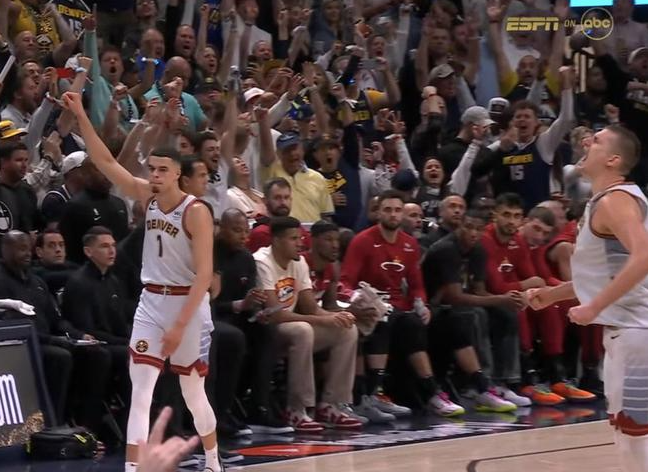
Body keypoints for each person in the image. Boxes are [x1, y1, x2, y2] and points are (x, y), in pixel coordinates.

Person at [62, 92, 222, 472]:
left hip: (187, 304)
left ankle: (214, 461)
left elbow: (204, 275)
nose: (154, 176)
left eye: (162, 170)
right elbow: (105, 162)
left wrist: (179, 325)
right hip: (151, 302)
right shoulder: (147, 198)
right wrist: (81, 113)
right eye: (151, 169)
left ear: (178, 174)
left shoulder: (196, 212)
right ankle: (132, 469)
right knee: (141, 392)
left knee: (192, 392)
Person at [527, 125, 648, 472]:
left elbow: (643, 257)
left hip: (637, 331)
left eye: (595, 141)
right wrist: (553, 294)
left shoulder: (615, 200)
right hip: (627, 331)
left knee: (636, 437)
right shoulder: (607, 201)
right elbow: (607, 274)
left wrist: (594, 306)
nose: (584, 142)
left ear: (613, 160)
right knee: (628, 435)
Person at [341, 190, 464, 416]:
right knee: (384, 319)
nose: (393, 215)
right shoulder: (362, 241)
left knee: (417, 323)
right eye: (388, 210)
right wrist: (356, 298)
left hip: (399, 305)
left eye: (397, 210)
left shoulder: (409, 244)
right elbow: (345, 282)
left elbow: (416, 285)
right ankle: (371, 394)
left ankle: (431, 392)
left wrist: (421, 303)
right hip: (370, 305)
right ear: (378, 213)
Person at [254, 216, 361, 432]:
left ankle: (332, 404)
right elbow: (275, 314)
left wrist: (337, 317)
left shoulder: (299, 262)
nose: (300, 243)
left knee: (346, 329)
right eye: (293, 239)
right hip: (264, 329)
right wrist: (323, 319)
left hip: (291, 325)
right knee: (302, 330)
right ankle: (297, 409)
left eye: (300, 238)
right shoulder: (261, 262)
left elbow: (311, 307)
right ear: (276, 241)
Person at [422, 209, 530, 407]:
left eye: (478, 229)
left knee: (507, 314)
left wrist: (507, 300)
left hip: (458, 303)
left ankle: (504, 382)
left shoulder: (478, 250)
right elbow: (454, 297)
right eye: (468, 227)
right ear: (459, 227)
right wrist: (500, 299)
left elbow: (479, 291)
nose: (473, 233)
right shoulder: (446, 249)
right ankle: (481, 385)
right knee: (477, 315)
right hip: (434, 306)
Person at [247, 177, 312, 253]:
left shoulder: (298, 228)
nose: (283, 202)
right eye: (277, 198)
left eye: (286, 197)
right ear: (265, 201)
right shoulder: (261, 233)